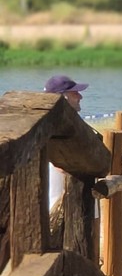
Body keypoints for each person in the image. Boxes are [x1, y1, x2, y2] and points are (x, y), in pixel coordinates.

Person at [43, 74, 89, 210]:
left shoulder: (68, 124)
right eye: (75, 93)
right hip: (56, 202)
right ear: (62, 97)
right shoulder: (50, 126)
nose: (80, 97)